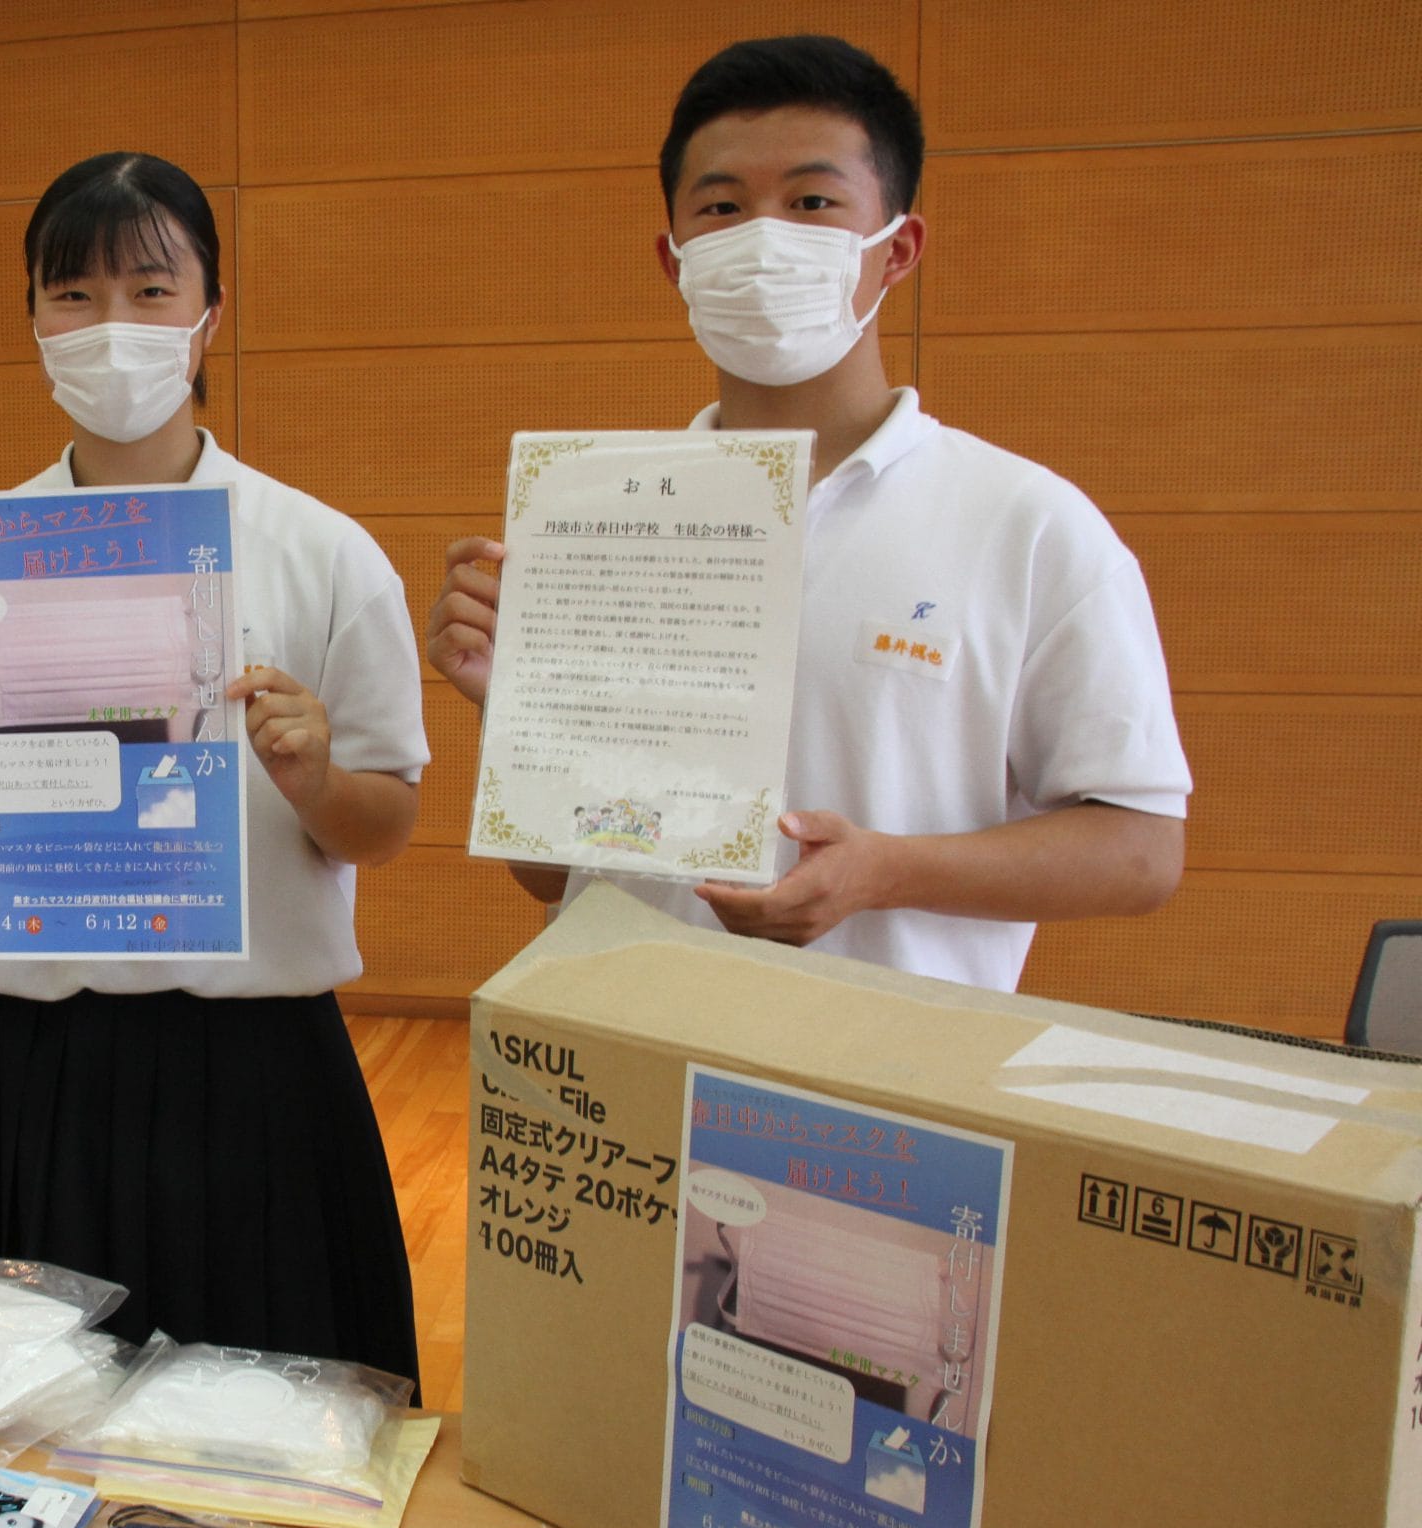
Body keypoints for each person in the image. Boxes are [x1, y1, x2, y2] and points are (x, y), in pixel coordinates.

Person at [426, 35, 1191, 993]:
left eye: (812, 202)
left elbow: (1142, 851)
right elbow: (551, 876)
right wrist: (516, 710)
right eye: (721, 207)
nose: (762, 238)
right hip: (629, 1040)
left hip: (891, 1062)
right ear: (675, 259)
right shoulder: (604, 525)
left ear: (897, 248)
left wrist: (886, 871)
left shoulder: (1027, 524)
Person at [0, 153, 430, 1387]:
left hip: (252, 1072)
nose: (112, 326)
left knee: (257, 1443)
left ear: (211, 313)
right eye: (74, 295)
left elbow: (383, 825)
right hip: (19, 1064)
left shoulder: (321, 551)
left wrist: (316, 780)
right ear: (33, 320)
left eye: (151, 291)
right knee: (6, 1439)